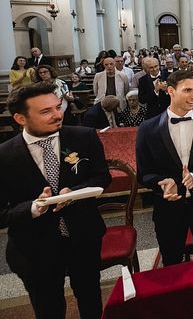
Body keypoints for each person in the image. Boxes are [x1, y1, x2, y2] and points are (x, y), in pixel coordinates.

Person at [0, 83, 111, 319]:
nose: (57, 114)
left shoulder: (83, 137)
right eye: (45, 111)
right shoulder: (5, 156)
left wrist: (74, 192)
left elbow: (102, 176)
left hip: (83, 236)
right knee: (48, 307)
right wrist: (34, 207)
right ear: (21, 118)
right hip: (34, 246)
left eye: (57, 106)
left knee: (90, 298)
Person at [136, 70, 193, 266]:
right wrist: (162, 183)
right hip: (169, 207)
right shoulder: (148, 129)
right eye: (187, 90)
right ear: (170, 91)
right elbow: (144, 173)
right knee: (172, 259)